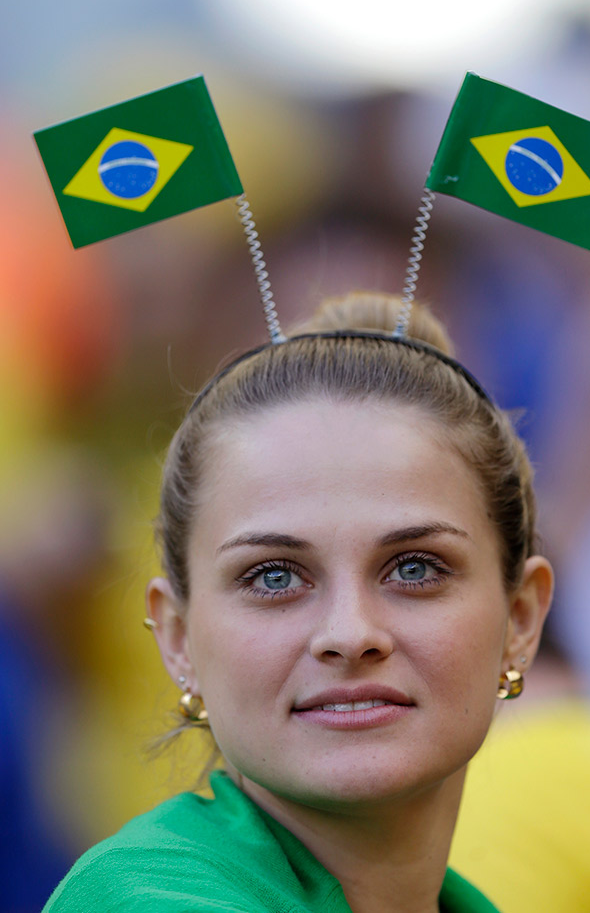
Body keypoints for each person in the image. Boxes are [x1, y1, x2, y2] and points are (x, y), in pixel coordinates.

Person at [44, 292, 554, 913]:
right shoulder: (145, 899)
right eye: (275, 578)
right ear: (177, 638)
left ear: (521, 619)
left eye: (414, 568)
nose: (349, 632)